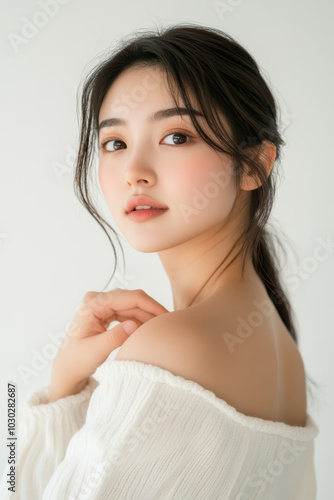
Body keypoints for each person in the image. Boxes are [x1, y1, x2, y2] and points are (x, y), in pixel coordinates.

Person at [0, 23, 319, 499]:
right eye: (115, 143)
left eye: (175, 137)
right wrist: (65, 382)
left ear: (255, 163)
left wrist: (54, 396)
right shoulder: (280, 351)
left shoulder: (174, 347)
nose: (134, 172)